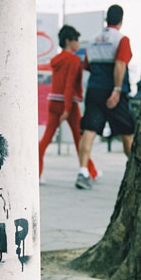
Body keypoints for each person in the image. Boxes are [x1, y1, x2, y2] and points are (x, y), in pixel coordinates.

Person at [76, 4, 135, 190]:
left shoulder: (92, 40)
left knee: (89, 130)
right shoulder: (121, 39)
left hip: (94, 90)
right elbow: (120, 64)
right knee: (127, 132)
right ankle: (135, 172)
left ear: (106, 19)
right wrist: (117, 90)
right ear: (121, 20)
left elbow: (88, 66)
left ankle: (83, 171)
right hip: (113, 92)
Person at [39, 25, 98, 183]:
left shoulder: (56, 60)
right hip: (69, 105)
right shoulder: (72, 60)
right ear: (68, 41)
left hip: (54, 102)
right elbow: (69, 85)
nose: (78, 44)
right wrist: (67, 108)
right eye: (76, 40)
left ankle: (37, 173)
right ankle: (90, 172)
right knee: (79, 139)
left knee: (45, 140)